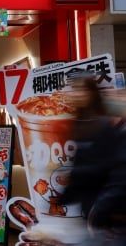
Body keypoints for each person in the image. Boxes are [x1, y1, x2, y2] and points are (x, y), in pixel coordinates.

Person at [59, 75, 126, 245]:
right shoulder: (79, 124)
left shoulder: (104, 125)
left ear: (91, 93)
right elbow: (82, 163)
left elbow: (110, 169)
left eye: (80, 90)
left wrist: (100, 208)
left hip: (106, 212)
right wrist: (64, 197)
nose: (75, 94)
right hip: (90, 209)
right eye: (73, 90)